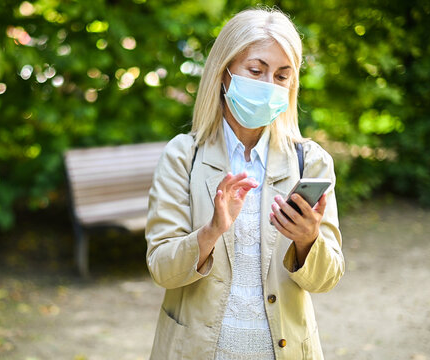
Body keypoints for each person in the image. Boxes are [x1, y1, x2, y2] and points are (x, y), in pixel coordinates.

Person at [145, 7, 345, 360]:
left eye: (282, 76)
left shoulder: (310, 162)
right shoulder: (183, 156)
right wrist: (211, 232)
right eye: (256, 70)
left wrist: (307, 241)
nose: (268, 85)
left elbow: (326, 280)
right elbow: (162, 268)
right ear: (224, 74)